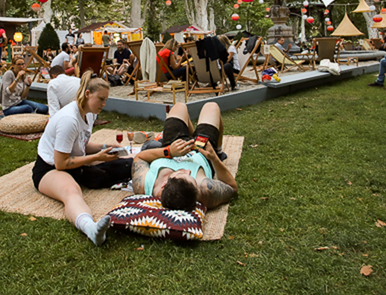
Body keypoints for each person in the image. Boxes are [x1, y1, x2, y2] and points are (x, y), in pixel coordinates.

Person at [33, 71, 131, 246]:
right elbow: (61, 163)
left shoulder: (89, 113)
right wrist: (96, 157)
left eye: (106, 99)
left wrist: (105, 147)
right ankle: (90, 228)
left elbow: (82, 145)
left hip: (73, 160)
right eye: (101, 99)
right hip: (50, 168)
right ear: (87, 94)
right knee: (72, 192)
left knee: (119, 167)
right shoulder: (69, 120)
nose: (104, 104)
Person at [131, 102, 237, 211]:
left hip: (173, 146)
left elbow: (139, 158)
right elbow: (232, 187)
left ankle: (190, 136)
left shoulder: (143, 185)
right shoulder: (205, 190)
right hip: (201, 152)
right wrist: (214, 158)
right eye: (192, 177)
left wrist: (169, 152)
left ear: (164, 183)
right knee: (211, 106)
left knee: (179, 106)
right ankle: (219, 152)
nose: (188, 171)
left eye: (182, 173)